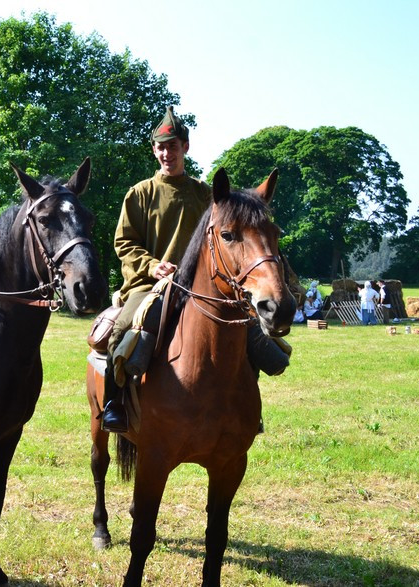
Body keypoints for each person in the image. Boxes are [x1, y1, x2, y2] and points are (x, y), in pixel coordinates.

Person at [100, 106, 290, 433]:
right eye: (160, 147)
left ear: (184, 148)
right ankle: (114, 405)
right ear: (154, 150)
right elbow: (124, 242)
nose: (166, 152)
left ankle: (245, 404)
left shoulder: (206, 195)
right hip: (149, 285)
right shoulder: (139, 194)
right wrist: (153, 265)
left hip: (201, 286)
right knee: (123, 330)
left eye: (172, 146)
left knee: (245, 330)